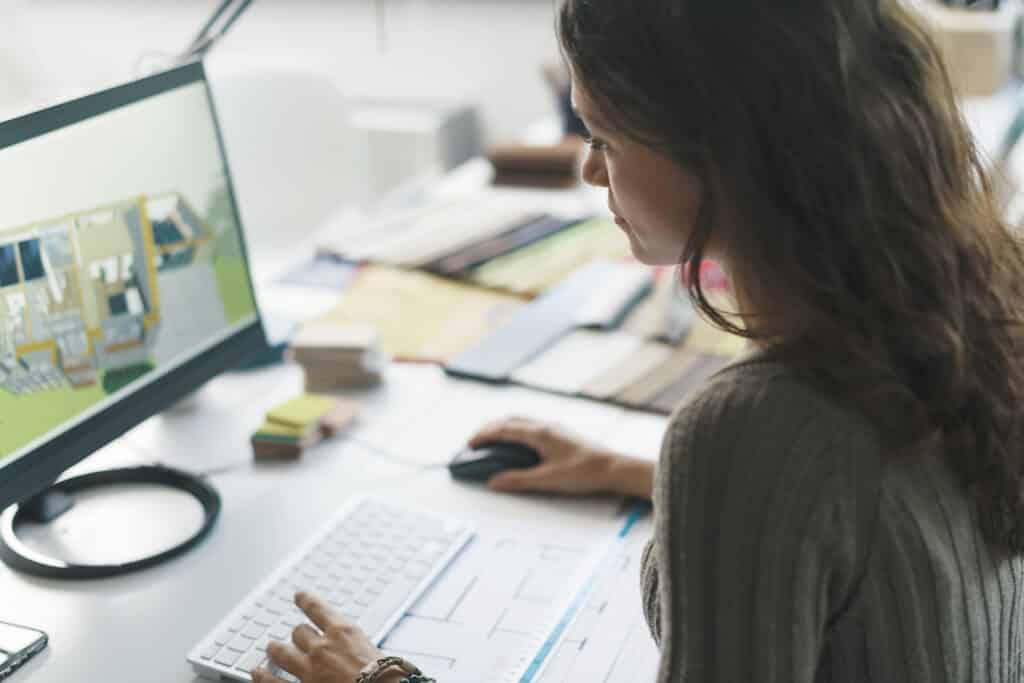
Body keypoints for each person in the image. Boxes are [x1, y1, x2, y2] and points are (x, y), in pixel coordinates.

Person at [254, 0, 1024, 680]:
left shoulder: (756, 426)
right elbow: (861, 504)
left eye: (603, 135)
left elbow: (798, 458)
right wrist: (630, 470)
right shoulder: (975, 303)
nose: (590, 169)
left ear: (719, 150)